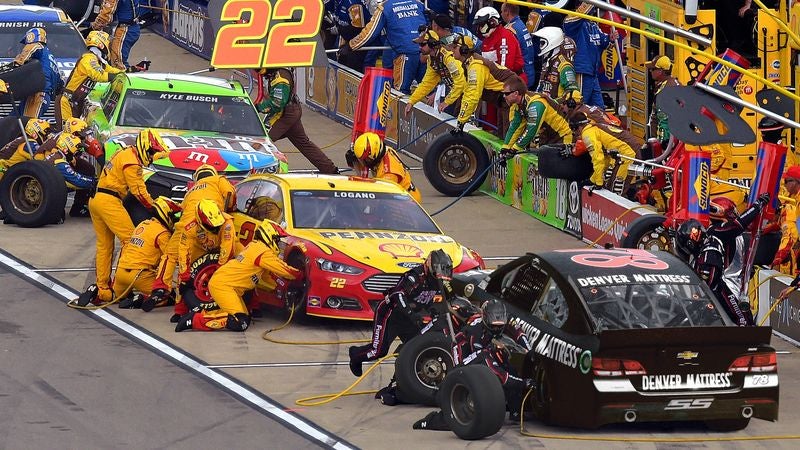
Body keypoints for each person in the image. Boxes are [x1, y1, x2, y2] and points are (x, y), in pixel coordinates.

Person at [75, 128, 168, 306]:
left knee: (104, 246)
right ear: (145, 147)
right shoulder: (132, 162)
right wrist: (155, 207)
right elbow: (139, 191)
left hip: (95, 199)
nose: (151, 156)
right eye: (152, 152)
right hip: (109, 200)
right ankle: (120, 287)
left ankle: (103, 289)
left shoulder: (123, 152)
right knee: (131, 240)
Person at [412, 298, 533, 429]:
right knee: (472, 371)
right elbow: (493, 369)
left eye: (500, 326)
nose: (497, 329)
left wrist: (530, 352)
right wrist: (523, 383)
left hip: (488, 348)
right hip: (465, 349)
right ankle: (444, 403)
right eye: (494, 326)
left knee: (509, 367)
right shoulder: (475, 333)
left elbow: (520, 335)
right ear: (486, 320)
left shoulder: (509, 320)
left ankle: (515, 411)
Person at [175, 219, 302, 332]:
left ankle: (202, 315)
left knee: (244, 317)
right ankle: (195, 320)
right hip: (224, 286)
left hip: (227, 287)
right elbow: (285, 270)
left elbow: (266, 277)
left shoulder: (256, 247)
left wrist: (281, 286)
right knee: (239, 321)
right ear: (269, 236)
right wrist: (301, 274)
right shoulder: (263, 252)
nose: (279, 244)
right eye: (277, 240)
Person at [348, 249, 453, 377]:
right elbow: (398, 295)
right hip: (390, 315)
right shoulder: (414, 277)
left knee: (417, 348)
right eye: (439, 270)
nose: (441, 275)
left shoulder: (439, 280)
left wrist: (434, 311)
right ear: (430, 265)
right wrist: (411, 313)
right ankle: (355, 355)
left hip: (410, 319)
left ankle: (401, 377)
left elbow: (441, 298)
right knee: (379, 351)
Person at [150, 164, 236, 316]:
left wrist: (184, 275)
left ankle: (162, 289)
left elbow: (182, 210)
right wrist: (230, 209)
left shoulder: (190, 191)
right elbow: (230, 193)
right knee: (228, 254)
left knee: (172, 258)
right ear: (212, 172)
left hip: (186, 226)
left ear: (196, 178)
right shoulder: (217, 179)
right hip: (214, 221)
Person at [675, 193, 771, 326]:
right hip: (725, 284)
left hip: (736, 284)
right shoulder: (717, 231)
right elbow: (739, 224)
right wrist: (757, 205)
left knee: (746, 319)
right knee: (743, 322)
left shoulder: (724, 233)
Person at [256, 68, 339, 174]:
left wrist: (258, 107)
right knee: (304, 144)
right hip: (291, 110)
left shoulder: (280, 78)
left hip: (285, 115)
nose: (260, 73)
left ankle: (254, 170)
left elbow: (277, 104)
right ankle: (330, 170)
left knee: (260, 140)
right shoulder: (275, 72)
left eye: (261, 70)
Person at [340, 0, 428, 93]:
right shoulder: (418, 3)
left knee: (400, 94)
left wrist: (350, 45)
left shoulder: (385, 7)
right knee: (429, 91)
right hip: (426, 52)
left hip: (406, 54)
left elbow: (370, 33)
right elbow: (432, 21)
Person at [175, 199, 243, 313]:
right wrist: (185, 274)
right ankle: (180, 309)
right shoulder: (190, 228)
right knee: (182, 277)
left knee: (244, 261)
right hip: (202, 248)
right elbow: (183, 251)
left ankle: (252, 305)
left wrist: (220, 267)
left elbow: (227, 248)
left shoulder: (227, 223)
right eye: (211, 226)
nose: (215, 228)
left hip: (229, 246)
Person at [114, 196, 182, 309]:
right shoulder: (163, 233)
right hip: (140, 275)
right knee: (170, 297)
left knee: (114, 296)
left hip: (120, 273)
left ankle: (98, 293)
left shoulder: (142, 224)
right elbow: (172, 257)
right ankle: (141, 299)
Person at [452, 33, 519, 138]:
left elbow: (472, 96)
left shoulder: (476, 66)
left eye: (455, 47)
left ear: (464, 50)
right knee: (502, 135)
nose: (452, 50)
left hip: (511, 97)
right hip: (502, 99)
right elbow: (467, 92)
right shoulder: (468, 63)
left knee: (509, 137)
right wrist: (461, 118)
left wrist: (461, 122)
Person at [57, 31, 124, 124]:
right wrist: (116, 76)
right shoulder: (88, 59)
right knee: (67, 134)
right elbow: (98, 75)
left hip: (76, 102)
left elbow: (114, 71)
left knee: (76, 134)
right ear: (101, 44)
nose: (109, 47)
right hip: (67, 102)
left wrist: (132, 70)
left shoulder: (98, 61)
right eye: (108, 44)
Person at [500, 77, 573, 159]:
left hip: (561, 136)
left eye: (506, 93)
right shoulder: (518, 104)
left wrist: (515, 148)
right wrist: (505, 147)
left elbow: (531, 130)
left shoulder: (536, 103)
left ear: (516, 93)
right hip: (546, 137)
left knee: (559, 168)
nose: (504, 96)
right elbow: (515, 127)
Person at [568, 111, 640, 194]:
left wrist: (598, 182)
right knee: (610, 183)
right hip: (626, 151)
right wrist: (593, 179)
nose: (574, 133)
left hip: (627, 154)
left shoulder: (587, 134)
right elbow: (605, 158)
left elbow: (597, 158)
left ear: (579, 127)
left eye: (573, 128)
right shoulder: (594, 127)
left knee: (616, 190)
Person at [346, 131, 422, 202]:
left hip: (408, 202)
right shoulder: (383, 150)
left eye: (363, 160)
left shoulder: (388, 173)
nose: (361, 163)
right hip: (398, 196)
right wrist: (355, 158)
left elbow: (378, 197)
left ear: (372, 157)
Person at [405, 28, 465, 115]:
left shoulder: (448, 57)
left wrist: (447, 102)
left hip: (468, 92)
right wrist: (411, 101)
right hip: (456, 92)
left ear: (432, 44)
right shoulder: (432, 59)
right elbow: (427, 83)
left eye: (422, 44)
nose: (419, 47)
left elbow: (461, 81)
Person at [562, 4, 612, 109]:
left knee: (599, 108)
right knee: (579, 105)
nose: (593, 11)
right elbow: (573, 20)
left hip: (593, 73)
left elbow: (603, 41)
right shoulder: (572, 22)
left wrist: (610, 38)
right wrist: (589, 3)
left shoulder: (593, 25)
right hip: (582, 72)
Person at [12, 27, 64, 119]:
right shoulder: (51, 59)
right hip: (40, 96)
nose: (25, 46)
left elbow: (32, 48)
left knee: (27, 125)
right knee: (12, 121)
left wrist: (18, 62)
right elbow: (60, 85)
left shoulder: (38, 46)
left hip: (37, 96)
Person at [472, 6, 526, 84]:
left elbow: (505, 69)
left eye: (482, 25)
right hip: (494, 80)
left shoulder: (504, 38)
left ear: (492, 22)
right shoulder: (488, 38)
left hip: (512, 83)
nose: (480, 28)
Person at [90, 0, 149, 71]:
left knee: (117, 65)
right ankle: (134, 69)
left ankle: (127, 78)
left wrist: (93, 28)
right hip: (131, 28)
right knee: (115, 61)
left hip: (125, 30)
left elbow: (106, 16)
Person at [532, 26, 581, 104]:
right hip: (546, 109)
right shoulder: (548, 62)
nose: (540, 46)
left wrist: (554, 103)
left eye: (542, 43)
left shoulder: (564, 65)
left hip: (557, 112)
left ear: (552, 42)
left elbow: (573, 93)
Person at [500, 3, 538, 89]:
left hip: (521, 77)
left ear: (507, 12)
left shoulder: (510, 30)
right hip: (530, 72)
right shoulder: (521, 24)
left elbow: (509, 58)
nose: (501, 14)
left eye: (502, 11)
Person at [646, 55, 680, 145]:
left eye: (653, 69)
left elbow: (663, 120)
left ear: (660, 71)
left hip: (667, 142)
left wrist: (661, 144)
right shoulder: (674, 83)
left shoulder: (665, 90)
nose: (650, 71)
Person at [772, 166, 800, 275]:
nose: (784, 184)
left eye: (786, 181)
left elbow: (790, 235)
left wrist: (778, 258)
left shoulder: (789, 208)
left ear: (796, 182)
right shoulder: (795, 199)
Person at [331, 0, 372, 71]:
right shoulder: (336, 2)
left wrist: (350, 46)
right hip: (346, 43)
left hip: (360, 45)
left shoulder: (354, 5)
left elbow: (362, 32)